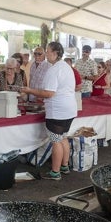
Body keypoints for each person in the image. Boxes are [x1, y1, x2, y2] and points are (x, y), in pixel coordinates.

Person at [21, 41, 77, 181]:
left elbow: (48, 93)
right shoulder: (66, 66)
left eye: (47, 51)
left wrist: (30, 90)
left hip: (58, 109)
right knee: (63, 137)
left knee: (56, 140)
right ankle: (64, 166)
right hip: (69, 108)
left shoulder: (54, 69)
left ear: (55, 53)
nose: (45, 53)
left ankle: (55, 172)